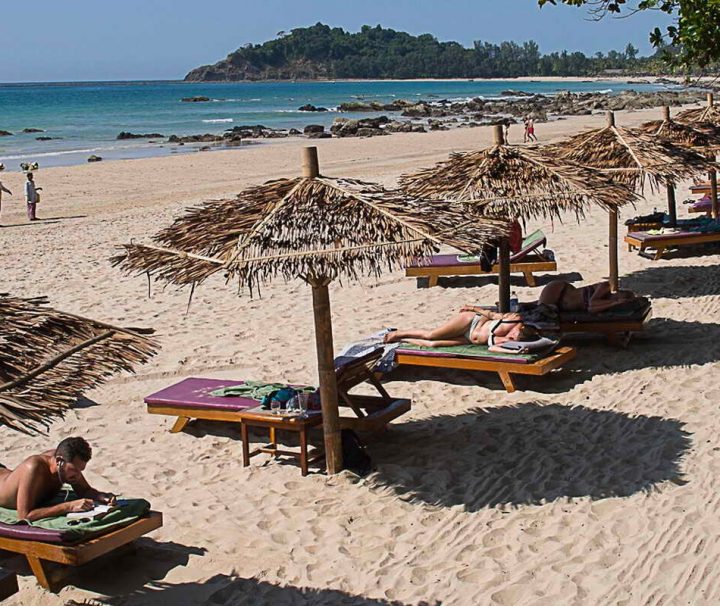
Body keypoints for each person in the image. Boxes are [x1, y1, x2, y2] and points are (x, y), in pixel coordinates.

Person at [0, 437, 116, 522]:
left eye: (80, 470)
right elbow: (24, 516)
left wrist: (102, 496)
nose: (78, 475)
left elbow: (85, 491)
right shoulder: (33, 468)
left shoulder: (67, 465)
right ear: (59, 461)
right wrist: (68, 506)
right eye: (74, 469)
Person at [384, 307, 539, 348]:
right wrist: (473, 308)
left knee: (434, 344)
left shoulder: (510, 338)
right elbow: (491, 315)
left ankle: (404, 340)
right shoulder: (514, 319)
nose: (512, 337)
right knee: (431, 335)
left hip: (469, 340)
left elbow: (494, 345)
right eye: (515, 334)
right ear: (520, 327)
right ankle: (398, 333)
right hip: (470, 322)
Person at [539, 280, 636, 314]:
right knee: (538, 311)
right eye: (620, 295)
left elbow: (591, 309)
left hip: (560, 305)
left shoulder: (607, 304)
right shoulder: (605, 286)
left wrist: (615, 303)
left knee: (536, 308)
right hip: (559, 290)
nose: (617, 298)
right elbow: (592, 304)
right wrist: (615, 302)